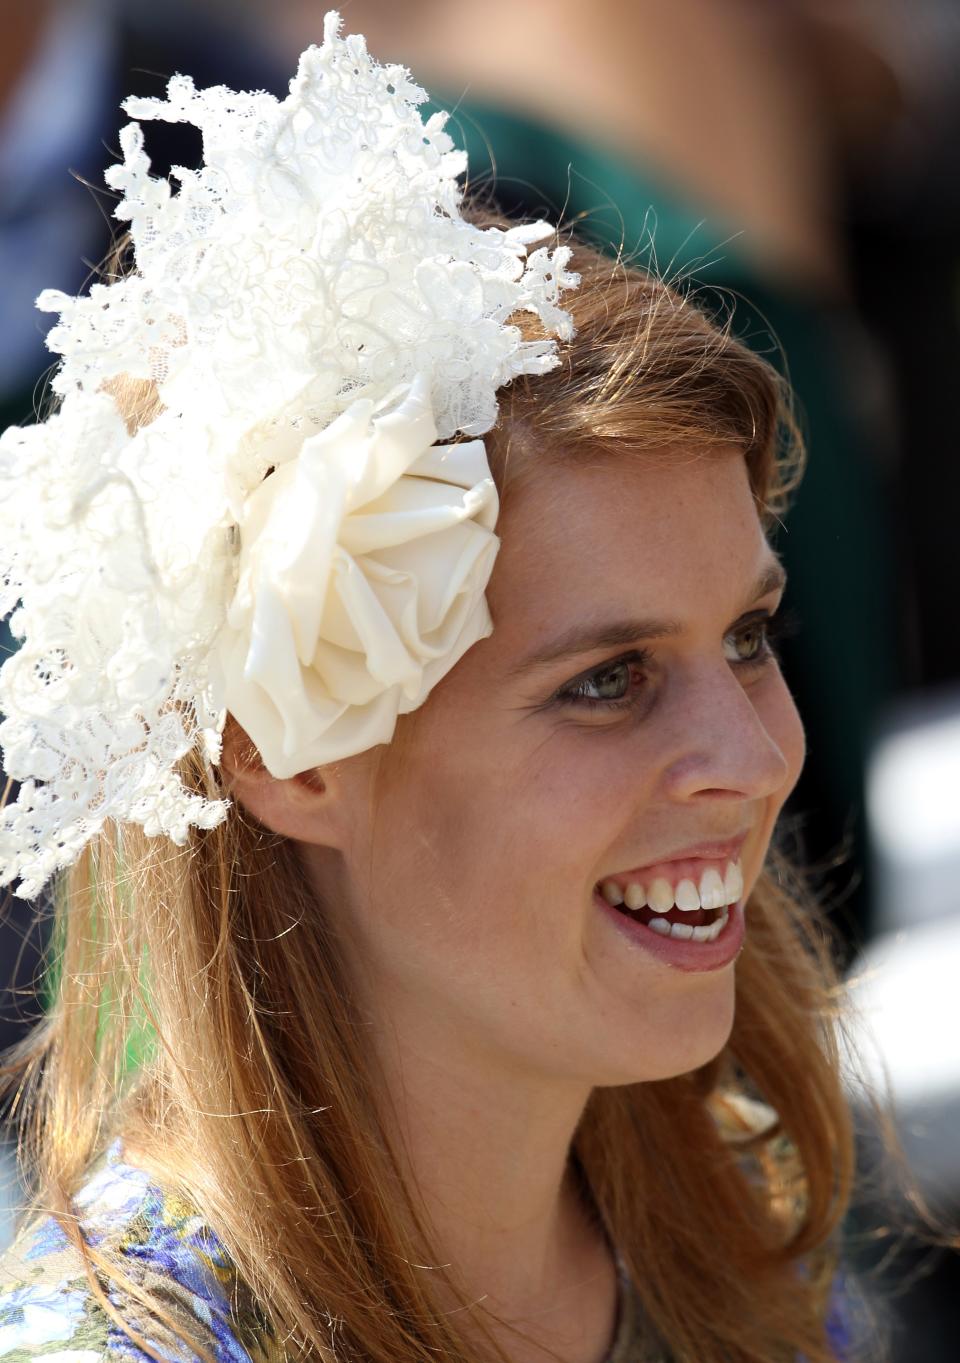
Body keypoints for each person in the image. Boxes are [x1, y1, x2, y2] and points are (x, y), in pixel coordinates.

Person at [0, 13, 865, 1363]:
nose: (753, 760)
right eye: (610, 679)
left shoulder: (741, 1204)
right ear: (289, 756)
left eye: (749, 637)